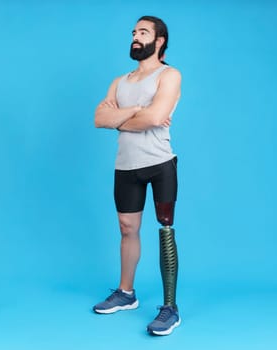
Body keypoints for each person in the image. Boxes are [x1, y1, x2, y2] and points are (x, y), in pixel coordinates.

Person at [93, 15, 182, 336]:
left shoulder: (169, 75)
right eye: (133, 32)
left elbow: (157, 116)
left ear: (159, 41)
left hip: (159, 163)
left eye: (143, 32)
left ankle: (170, 308)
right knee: (126, 227)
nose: (135, 36)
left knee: (165, 230)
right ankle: (126, 293)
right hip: (126, 165)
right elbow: (99, 118)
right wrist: (133, 112)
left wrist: (122, 115)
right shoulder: (119, 82)